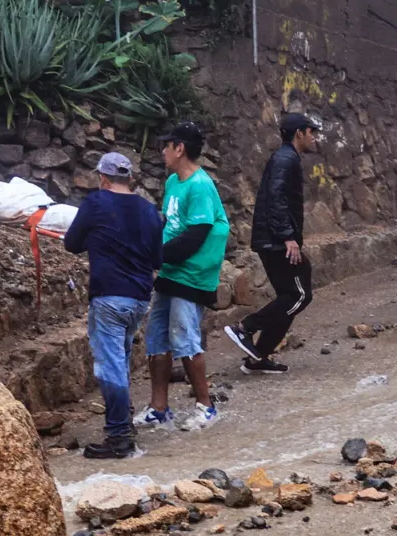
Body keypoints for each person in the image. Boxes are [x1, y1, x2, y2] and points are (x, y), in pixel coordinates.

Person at [63, 153, 164, 459]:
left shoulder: (96, 203)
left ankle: (119, 436)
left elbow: (71, 243)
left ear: (103, 178)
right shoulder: (149, 210)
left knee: (110, 367)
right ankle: (125, 423)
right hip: (139, 299)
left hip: (108, 297)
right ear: (129, 178)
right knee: (119, 359)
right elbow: (158, 259)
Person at [135, 123, 230, 430]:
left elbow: (197, 234)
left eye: (167, 145)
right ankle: (158, 407)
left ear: (180, 149)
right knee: (156, 336)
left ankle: (206, 405)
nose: (162, 150)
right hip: (171, 271)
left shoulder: (200, 185)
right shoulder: (174, 182)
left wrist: (157, 256)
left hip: (191, 274)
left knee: (184, 336)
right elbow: (171, 224)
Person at [224, 113, 321, 374]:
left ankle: (258, 358)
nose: (314, 136)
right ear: (298, 133)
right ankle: (245, 327)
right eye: (310, 131)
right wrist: (288, 236)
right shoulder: (285, 159)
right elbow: (276, 199)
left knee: (288, 297)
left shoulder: (287, 158)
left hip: (273, 239)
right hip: (277, 241)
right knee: (300, 295)